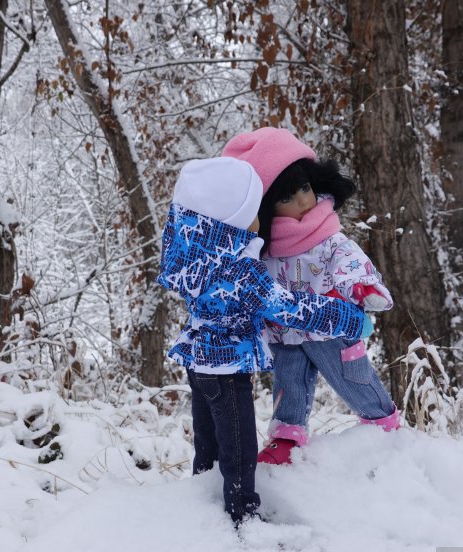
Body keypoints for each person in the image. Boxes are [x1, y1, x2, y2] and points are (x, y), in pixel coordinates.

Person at [158, 156, 370, 524]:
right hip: (226, 367)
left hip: (198, 360)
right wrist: (344, 317)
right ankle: (243, 514)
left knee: (208, 437)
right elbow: (286, 308)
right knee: (239, 446)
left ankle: (203, 492)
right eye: (254, 210)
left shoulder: (196, 252)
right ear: (236, 219)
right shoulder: (239, 270)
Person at [222, 128, 400, 466]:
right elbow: (253, 284)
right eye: (286, 197)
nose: (303, 201)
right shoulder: (263, 249)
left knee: (354, 378)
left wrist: (361, 287)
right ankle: (287, 438)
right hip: (285, 333)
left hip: (330, 327)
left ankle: (384, 424)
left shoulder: (327, 235)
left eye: (305, 188)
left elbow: (348, 259)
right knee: (289, 384)